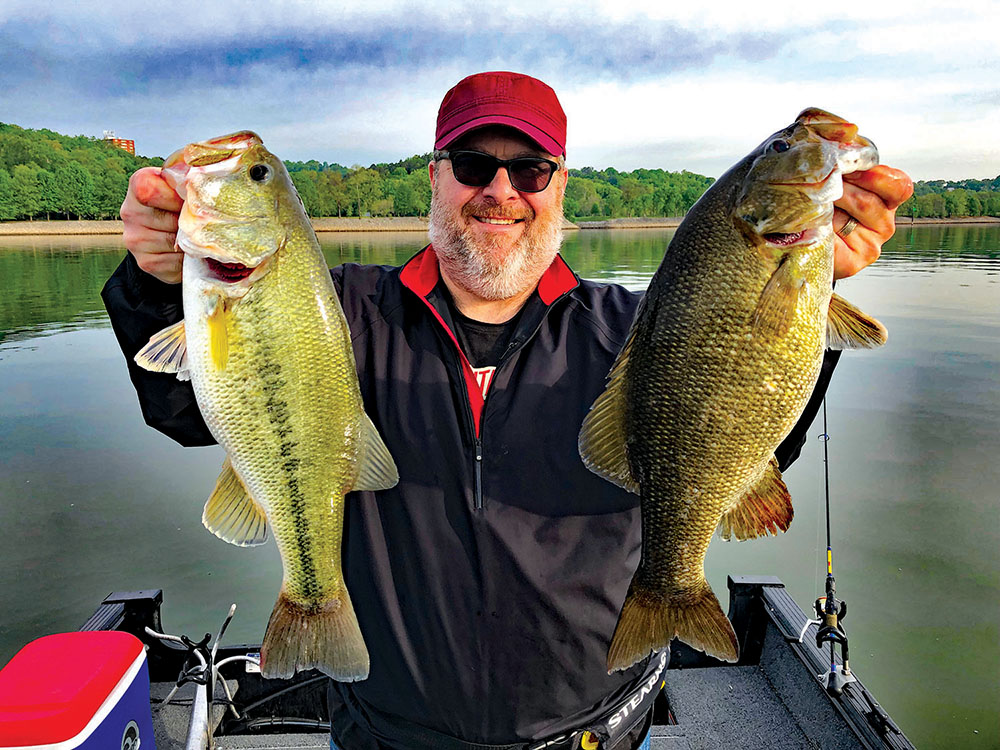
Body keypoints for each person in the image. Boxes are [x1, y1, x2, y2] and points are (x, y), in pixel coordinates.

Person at [103, 71, 913, 750]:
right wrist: (154, 278)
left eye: (529, 169)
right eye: (472, 163)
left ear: (559, 186)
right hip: (388, 731)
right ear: (434, 176)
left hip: (596, 725)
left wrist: (814, 298)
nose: (500, 191)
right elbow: (185, 407)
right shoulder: (335, 311)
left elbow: (744, 437)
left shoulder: (639, 330)